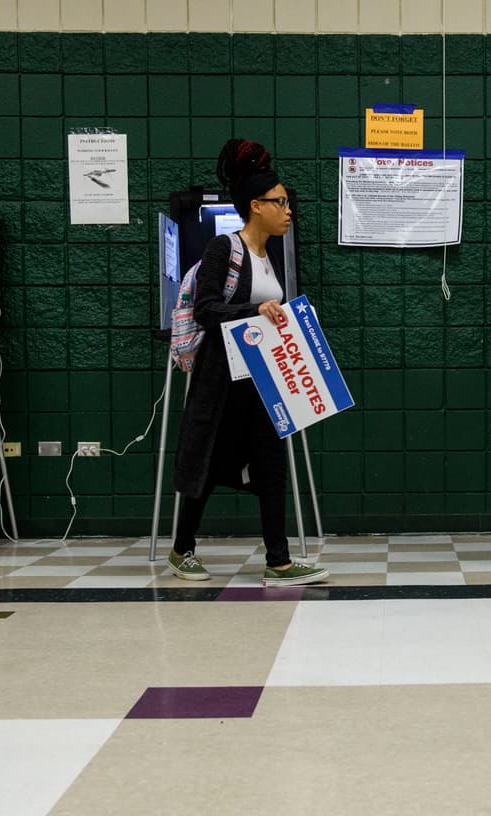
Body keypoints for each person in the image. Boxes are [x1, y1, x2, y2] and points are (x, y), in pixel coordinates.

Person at [168, 138, 326, 586]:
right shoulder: (225, 248)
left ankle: (278, 561)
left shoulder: (271, 256)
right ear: (256, 206)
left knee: (272, 464)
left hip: (263, 379)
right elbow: (206, 309)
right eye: (281, 202)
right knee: (210, 465)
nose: (288, 209)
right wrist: (253, 311)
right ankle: (182, 549)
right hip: (223, 381)